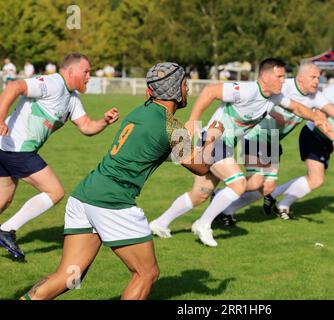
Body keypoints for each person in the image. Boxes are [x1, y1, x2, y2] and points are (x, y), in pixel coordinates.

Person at [20, 62, 222, 300]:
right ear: (176, 90)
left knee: (69, 275)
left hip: (85, 195)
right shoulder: (171, 126)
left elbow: (152, 148)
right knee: (146, 274)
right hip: (113, 201)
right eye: (185, 85)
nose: (188, 90)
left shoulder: (139, 112)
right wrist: (213, 138)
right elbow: (200, 167)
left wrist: (186, 140)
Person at [149, 58, 334, 247]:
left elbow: (298, 108)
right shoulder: (246, 90)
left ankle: (160, 223)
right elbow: (210, 91)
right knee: (238, 182)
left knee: (200, 194)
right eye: (280, 76)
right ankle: (203, 224)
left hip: (225, 146)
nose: (284, 81)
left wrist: (316, 117)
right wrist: (193, 119)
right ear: (266, 77)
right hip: (213, 140)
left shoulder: (275, 97)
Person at [0, 53, 119, 259]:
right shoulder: (53, 83)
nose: (89, 76)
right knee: (55, 191)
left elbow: (86, 126)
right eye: (86, 72)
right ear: (71, 71)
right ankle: (6, 230)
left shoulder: (72, 98)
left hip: (5, 146)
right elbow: (14, 87)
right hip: (17, 148)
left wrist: (104, 121)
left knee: (3, 200)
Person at [216, 63, 334, 224]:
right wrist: (274, 112)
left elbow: (332, 113)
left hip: (274, 140)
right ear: (300, 77)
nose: (317, 81)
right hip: (255, 135)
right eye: (313, 77)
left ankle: (227, 209)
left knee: (267, 188)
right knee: (255, 182)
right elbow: (261, 96)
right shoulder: (284, 86)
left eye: (318, 77)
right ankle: (222, 195)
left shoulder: (315, 97)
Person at [260, 70, 334, 219]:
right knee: (316, 179)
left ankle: (277, 200)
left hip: (325, 140)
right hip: (314, 136)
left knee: (313, 179)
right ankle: (279, 202)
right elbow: (318, 118)